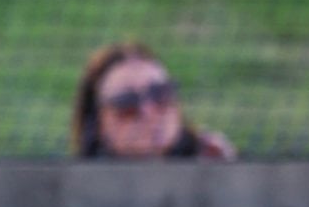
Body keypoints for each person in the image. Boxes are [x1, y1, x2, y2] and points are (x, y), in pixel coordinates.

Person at [71, 41, 236, 160]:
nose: (148, 111)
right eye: (127, 101)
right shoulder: (76, 190)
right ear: (97, 123)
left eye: (159, 93)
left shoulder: (212, 164)